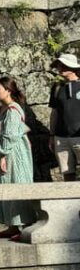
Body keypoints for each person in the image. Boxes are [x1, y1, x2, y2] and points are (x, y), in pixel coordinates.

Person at [0, 76, 36, 239]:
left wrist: (3, 155)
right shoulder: (2, 109)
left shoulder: (13, 109)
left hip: (13, 153)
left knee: (16, 183)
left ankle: (25, 226)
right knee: (5, 185)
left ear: (8, 90)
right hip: (3, 151)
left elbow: (10, 135)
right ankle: (12, 225)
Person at [49, 53, 80, 181]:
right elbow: (54, 113)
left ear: (72, 67)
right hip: (61, 138)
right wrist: (52, 135)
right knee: (67, 174)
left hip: (79, 136)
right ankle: (71, 201)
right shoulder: (57, 88)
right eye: (58, 65)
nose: (59, 68)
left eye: (62, 65)